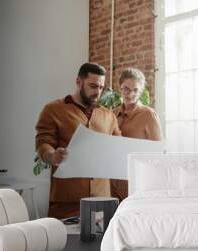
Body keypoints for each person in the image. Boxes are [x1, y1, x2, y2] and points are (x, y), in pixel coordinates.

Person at [35, 62, 121, 218]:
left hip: (102, 201)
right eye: (93, 86)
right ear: (78, 82)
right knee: (65, 242)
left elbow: (117, 147)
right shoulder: (53, 110)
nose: (98, 92)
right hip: (67, 201)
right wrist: (52, 156)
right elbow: (43, 143)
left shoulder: (108, 115)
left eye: (101, 87)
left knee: (100, 243)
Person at [110, 68, 162, 201]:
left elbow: (158, 152)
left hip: (136, 181)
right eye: (126, 89)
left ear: (141, 91)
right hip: (112, 181)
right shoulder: (112, 114)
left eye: (136, 90)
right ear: (120, 88)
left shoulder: (148, 114)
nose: (130, 94)